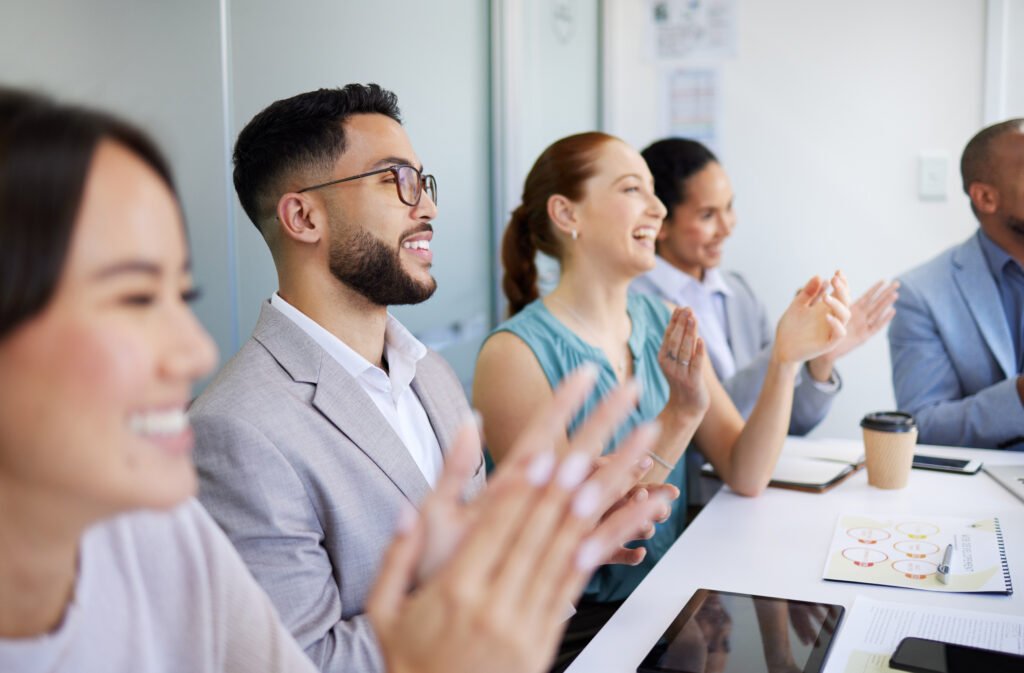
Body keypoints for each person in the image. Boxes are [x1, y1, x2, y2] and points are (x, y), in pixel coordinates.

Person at [0, 88, 669, 673]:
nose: (427, 206)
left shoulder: (431, 372)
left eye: (423, 181)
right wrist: (504, 577)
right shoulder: (232, 430)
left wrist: (544, 538)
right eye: (395, 180)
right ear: (303, 217)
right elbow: (305, 661)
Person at [473, 131, 851, 665]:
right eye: (633, 189)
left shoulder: (662, 321)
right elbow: (577, 537)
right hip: (569, 629)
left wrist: (785, 360)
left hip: (666, 603)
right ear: (567, 213)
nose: (657, 209)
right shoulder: (512, 356)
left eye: (654, 192)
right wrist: (681, 414)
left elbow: (745, 470)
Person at [635, 138, 899, 435]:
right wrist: (785, 349)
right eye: (707, 215)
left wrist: (820, 359)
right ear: (660, 222)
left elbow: (790, 422)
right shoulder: (639, 308)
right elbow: (703, 429)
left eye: (729, 207)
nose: (727, 227)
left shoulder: (740, 293)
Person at [889, 118, 1024, 450]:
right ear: (985, 198)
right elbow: (923, 424)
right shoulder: (920, 294)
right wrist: (1019, 396)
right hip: (986, 478)